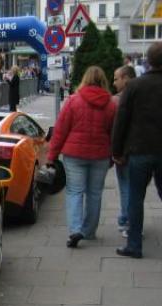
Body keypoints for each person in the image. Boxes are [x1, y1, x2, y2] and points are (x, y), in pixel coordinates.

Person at [48, 66, 116, 248]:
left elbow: (61, 130)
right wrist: (113, 156)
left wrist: (52, 156)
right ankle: (89, 231)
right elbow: (114, 133)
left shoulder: (73, 101)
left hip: (74, 155)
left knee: (75, 191)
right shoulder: (111, 104)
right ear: (104, 81)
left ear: (84, 79)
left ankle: (75, 229)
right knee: (95, 193)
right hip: (100, 155)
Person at [112, 42, 162, 258]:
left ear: (148, 61)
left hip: (139, 149)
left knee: (135, 198)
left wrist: (117, 151)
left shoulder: (134, 86)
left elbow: (121, 120)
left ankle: (134, 245)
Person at [111, 65, 137, 238]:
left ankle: (127, 222)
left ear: (126, 78)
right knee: (137, 189)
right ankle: (135, 221)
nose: (114, 83)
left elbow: (116, 128)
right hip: (145, 149)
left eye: (116, 78)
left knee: (126, 187)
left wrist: (116, 152)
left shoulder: (117, 101)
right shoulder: (145, 95)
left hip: (125, 151)